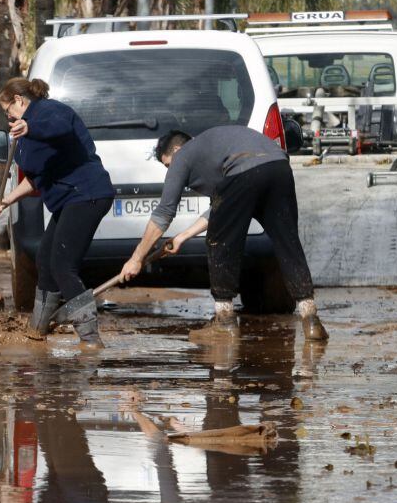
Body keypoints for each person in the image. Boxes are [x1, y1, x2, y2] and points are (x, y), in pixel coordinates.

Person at [119, 126, 328, 341]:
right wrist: (182, 236)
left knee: (220, 242)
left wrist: (136, 259)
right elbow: (220, 209)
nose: (171, 171)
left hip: (245, 172)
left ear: (177, 149)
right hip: (279, 167)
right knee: (288, 243)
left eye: (168, 165)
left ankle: (225, 321)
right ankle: (310, 319)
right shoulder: (214, 149)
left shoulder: (183, 155)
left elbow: (164, 212)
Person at [0, 78, 115, 349]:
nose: (7, 116)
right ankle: (37, 328)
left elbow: (60, 128)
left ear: (19, 101)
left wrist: (30, 126)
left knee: (62, 264)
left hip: (87, 194)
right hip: (68, 200)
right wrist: (6, 199)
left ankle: (91, 339)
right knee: (45, 260)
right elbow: (35, 178)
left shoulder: (49, 112)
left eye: (7, 109)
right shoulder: (23, 134)